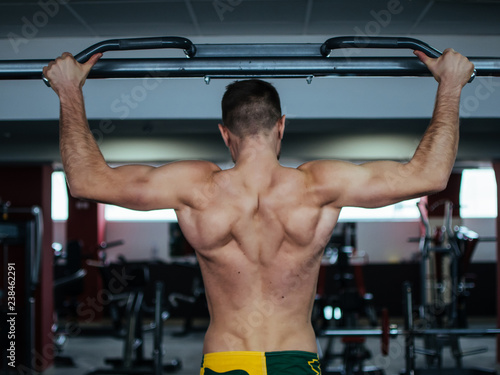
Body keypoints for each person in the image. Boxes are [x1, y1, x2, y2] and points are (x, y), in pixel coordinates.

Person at [44, 48, 474, 375]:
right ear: (281, 125)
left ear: (224, 133)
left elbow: (86, 181)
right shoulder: (318, 186)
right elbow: (430, 175)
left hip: (226, 359)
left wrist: (68, 90)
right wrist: (451, 83)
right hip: (296, 358)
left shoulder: (198, 189)